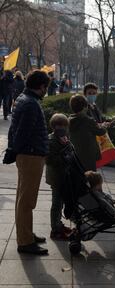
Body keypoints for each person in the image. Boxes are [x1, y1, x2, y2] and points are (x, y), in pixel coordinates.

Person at [7, 70, 50, 255]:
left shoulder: (22, 99)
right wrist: (14, 150)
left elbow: (15, 130)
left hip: (27, 155)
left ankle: (26, 234)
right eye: (46, 87)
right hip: (31, 156)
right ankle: (25, 241)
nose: (46, 90)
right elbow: (23, 133)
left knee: (23, 198)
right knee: (27, 201)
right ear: (41, 87)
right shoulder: (31, 104)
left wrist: (13, 150)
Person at [45, 113, 74, 240]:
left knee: (61, 202)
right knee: (56, 204)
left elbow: (71, 150)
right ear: (53, 127)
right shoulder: (51, 140)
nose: (62, 128)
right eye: (59, 126)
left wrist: (68, 146)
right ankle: (55, 229)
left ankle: (59, 224)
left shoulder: (64, 138)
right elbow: (49, 159)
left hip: (64, 177)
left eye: (64, 125)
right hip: (56, 177)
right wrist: (63, 157)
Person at [68, 94, 107, 171]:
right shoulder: (88, 120)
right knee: (89, 177)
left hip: (74, 153)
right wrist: (104, 126)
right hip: (88, 154)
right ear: (84, 107)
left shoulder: (69, 120)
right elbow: (100, 132)